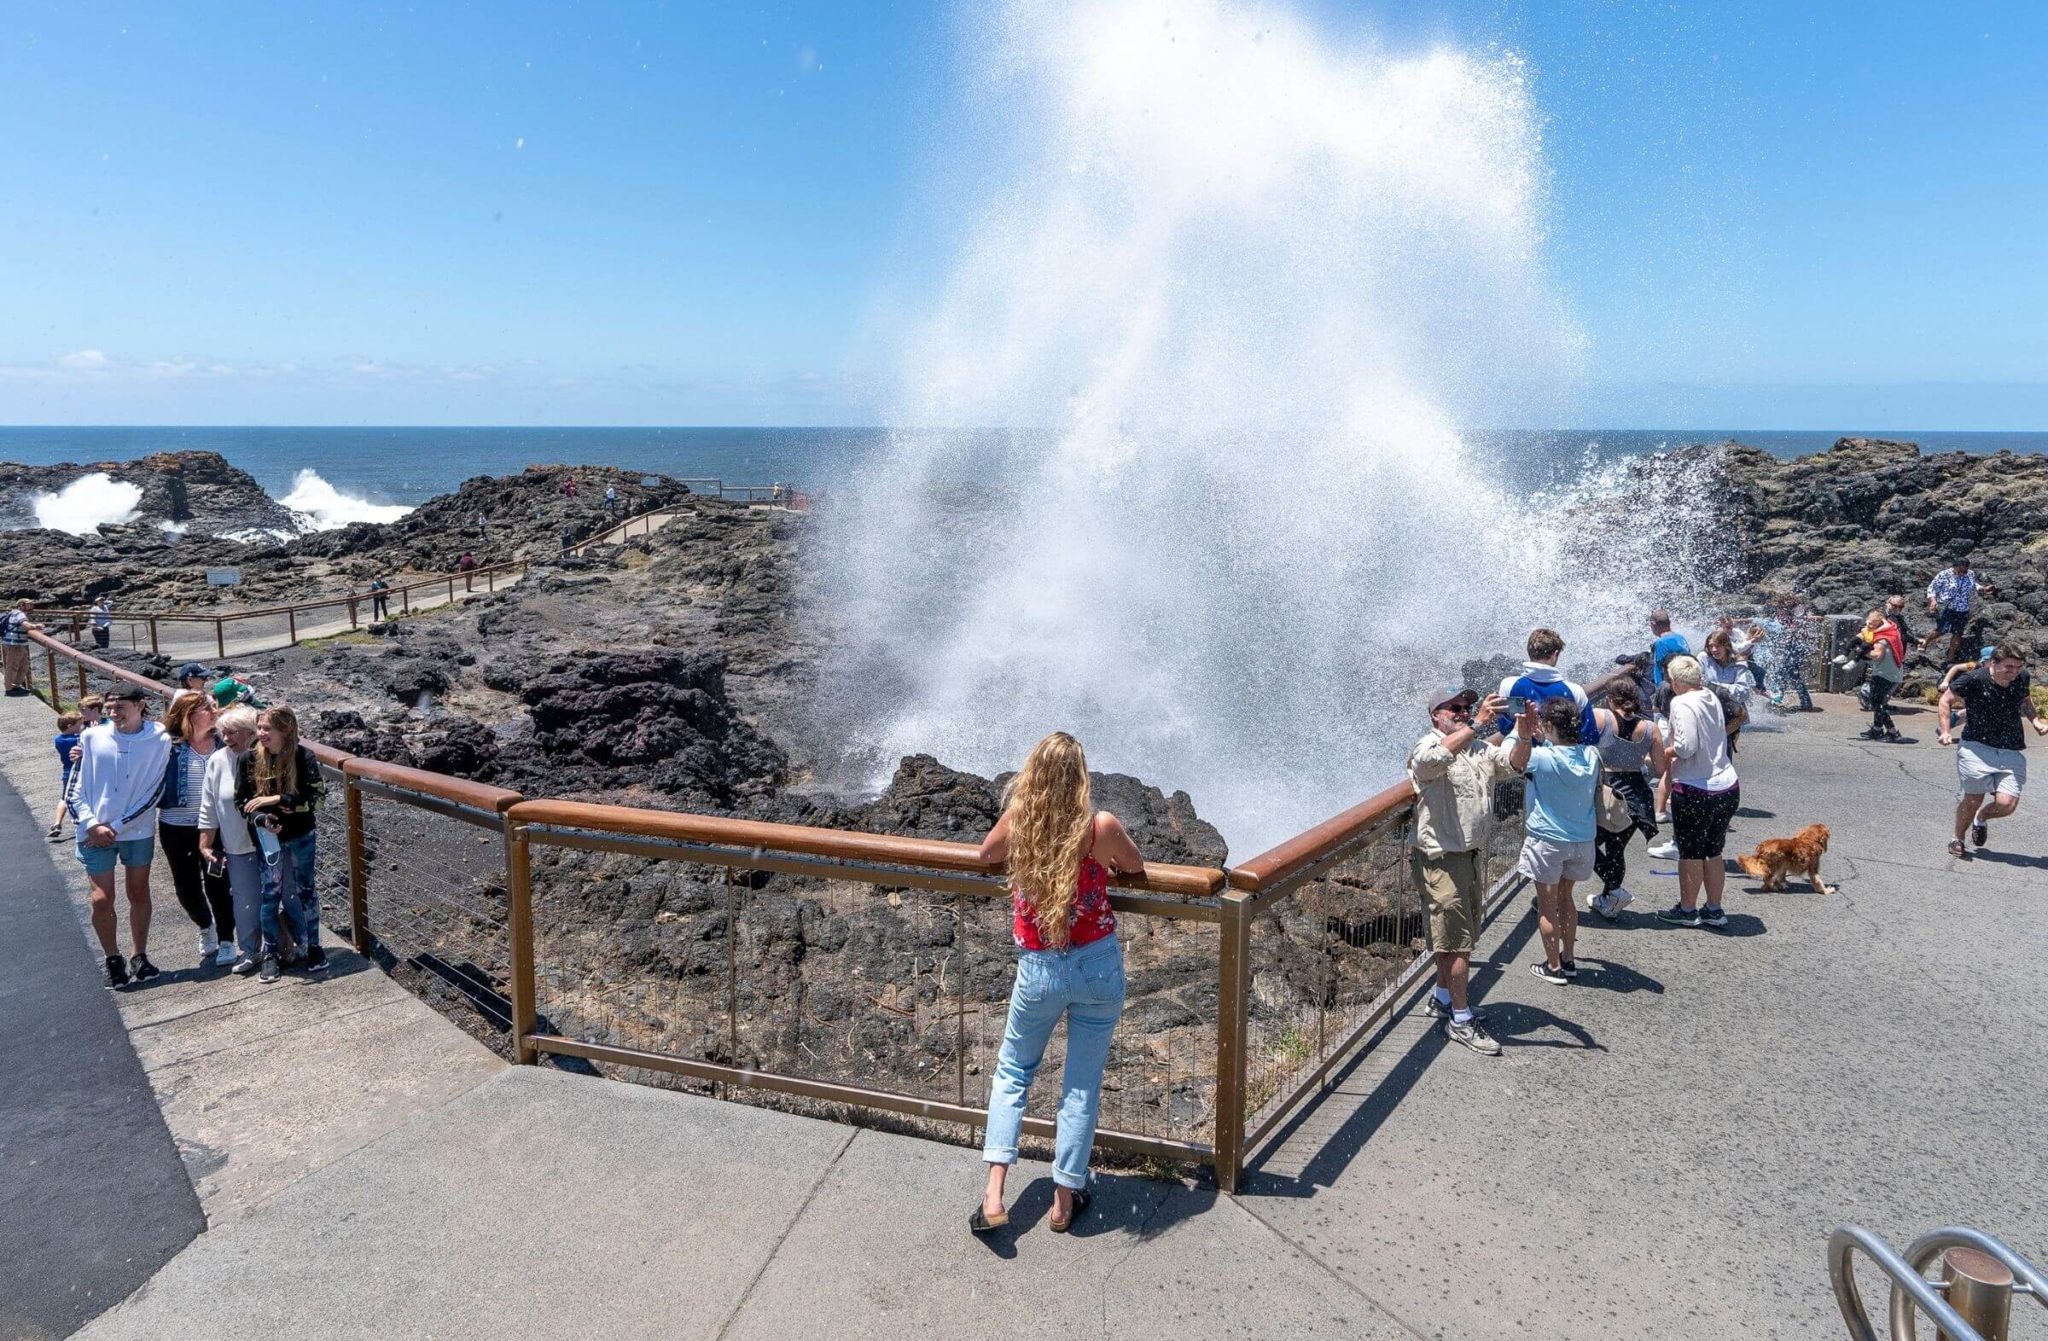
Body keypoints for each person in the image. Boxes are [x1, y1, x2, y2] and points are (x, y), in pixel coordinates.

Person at [970, 731, 1143, 1237]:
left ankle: (994, 1194)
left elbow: (986, 855)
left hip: (1040, 968)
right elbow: (1132, 864)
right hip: (1095, 967)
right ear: (1081, 778)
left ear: (1034, 776)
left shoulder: (1022, 823)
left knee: (1014, 1072)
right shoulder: (1099, 828)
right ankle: (1064, 1199)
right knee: (1081, 1085)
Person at [1407, 686, 1512, 1055]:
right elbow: (1428, 764)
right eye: (1455, 708)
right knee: (1459, 944)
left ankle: (1441, 997)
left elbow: (1514, 764)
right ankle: (1461, 1019)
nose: (1463, 711)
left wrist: (1527, 734)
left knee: (1454, 937)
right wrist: (1480, 723)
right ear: (1436, 715)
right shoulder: (1428, 745)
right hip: (1441, 858)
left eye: (1467, 707)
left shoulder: (1477, 749)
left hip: (1468, 855)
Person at [69, 685, 173, 987]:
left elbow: (155, 790)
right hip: (92, 829)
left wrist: (115, 827)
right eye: (109, 706)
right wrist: (91, 824)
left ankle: (139, 955)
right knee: (101, 899)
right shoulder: (91, 736)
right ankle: (112, 957)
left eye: (120, 706)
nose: (113, 712)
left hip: (135, 830)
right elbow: (75, 784)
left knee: (138, 893)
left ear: (140, 705)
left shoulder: (159, 738)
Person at [1510, 698, 1601, 984]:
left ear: (1547, 725)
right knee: (1566, 899)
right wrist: (1546, 740)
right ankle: (1569, 958)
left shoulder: (1540, 758)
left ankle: (1553, 967)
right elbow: (1565, 759)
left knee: (1547, 905)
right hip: (1582, 840)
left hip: (1548, 841)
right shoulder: (1592, 755)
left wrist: (1523, 733)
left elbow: (1514, 761)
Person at [236, 705, 328, 982]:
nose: (261, 733)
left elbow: (317, 800)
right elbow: (242, 803)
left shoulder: (303, 757)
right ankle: (271, 954)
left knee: (306, 890)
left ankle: (313, 946)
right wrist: (264, 819)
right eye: (259, 727)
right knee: (270, 893)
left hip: (301, 835)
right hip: (268, 837)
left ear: (285, 730)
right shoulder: (248, 759)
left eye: (267, 728)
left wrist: (275, 799)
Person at [1655, 656, 1739, 929]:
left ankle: (1688, 909)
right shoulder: (1710, 695)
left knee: (1690, 852)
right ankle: (1714, 909)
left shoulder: (1680, 702)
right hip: (1726, 783)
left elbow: (1686, 746)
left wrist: (1664, 753)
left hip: (1695, 786)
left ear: (1676, 681)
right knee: (1713, 850)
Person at [1938, 644, 2045, 857]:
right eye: (2009, 667)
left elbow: (2025, 700)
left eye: (2018, 667)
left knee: (2007, 804)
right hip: (1976, 747)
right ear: (1993, 664)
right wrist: (1945, 730)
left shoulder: (2022, 677)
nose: (2015, 672)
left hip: (2010, 748)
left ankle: (1981, 818)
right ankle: (1957, 838)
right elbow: (1945, 700)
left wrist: (2036, 721)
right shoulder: (1974, 680)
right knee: (1973, 798)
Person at [158, 691, 238, 967]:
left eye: (215, 706)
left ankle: (227, 939)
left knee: (219, 883)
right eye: (207, 708)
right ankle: (206, 925)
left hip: (216, 829)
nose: (215, 711)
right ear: (188, 714)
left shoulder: (225, 743)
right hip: (176, 827)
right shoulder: (167, 746)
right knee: (186, 888)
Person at [199, 704, 265, 974]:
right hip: (237, 844)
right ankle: (250, 951)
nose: (226, 739)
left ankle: (291, 946)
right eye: (223, 733)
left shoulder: (267, 756)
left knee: (285, 896)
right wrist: (205, 843)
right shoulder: (217, 760)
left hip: (273, 842)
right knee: (244, 902)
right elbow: (209, 806)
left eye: (232, 733)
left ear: (251, 732)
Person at [1590, 681, 1663, 920]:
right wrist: (1638, 758)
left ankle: (1614, 889)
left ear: (1610, 699)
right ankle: (1609, 898)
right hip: (1637, 795)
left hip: (1608, 791)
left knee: (1587, 844)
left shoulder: (1601, 717)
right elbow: (1660, 768)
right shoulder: (1651, 728)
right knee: (1616, 848)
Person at [1494, 628, 1598, 744]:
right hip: (1559, 761)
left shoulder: (1510, 685)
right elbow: (1590, 737)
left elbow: (1506, 727)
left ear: (1529, 651)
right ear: (1555, 654)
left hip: (1522, 759)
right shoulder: (1574, 691)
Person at [1850, 609, 1907, 742]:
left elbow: (1877, 655)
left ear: (1879, 621)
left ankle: (1893, 732)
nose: (1868, 625)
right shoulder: (1891, 629)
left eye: (1871, 622)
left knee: (1877, 703)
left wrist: (1860, 653)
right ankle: (1877, 729)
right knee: (1877, 701)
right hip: (1889, 672)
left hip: (1886, 674)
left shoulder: (1883, 637)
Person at [1926, 557, 1993, 669]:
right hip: (1947, 606)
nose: (1962, 573)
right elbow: (1932, 588)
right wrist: (1933, 600)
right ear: (1954, 567)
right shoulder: (1944, 574)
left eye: (1964, 571)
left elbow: (1973, 585)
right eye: (1960, 571)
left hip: (1963, 609)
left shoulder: (1970, 574)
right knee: (1941, 630)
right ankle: (1925, 642)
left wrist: (1983, 589)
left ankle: (1950, 657)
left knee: (1958, 633)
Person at [48, 709, 83, 840]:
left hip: (67, 771)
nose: (82, 727)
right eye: (80, 724)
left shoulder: (58, 739)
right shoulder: (78, 739)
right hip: (79, 770)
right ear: (70, 726)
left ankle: (57, 823)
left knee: (64, 798)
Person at [2, 598, 38, 695]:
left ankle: (16, 686)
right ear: (21, 605)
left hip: (14, 643)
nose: (31, 606)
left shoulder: (14, 612)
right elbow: (25, 625)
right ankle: (9, 689)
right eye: (29, 604)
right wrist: (35, 626)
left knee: (24, 665)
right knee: (13, 666)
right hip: (15, 644)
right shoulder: (20, 614)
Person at [1648, 610, 1691, 688]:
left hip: (1670, 687)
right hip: (1687, 682)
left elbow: (1660, 669)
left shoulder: (1660, 643)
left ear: (1653, 624)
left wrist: (1659, 690)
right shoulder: (1680, 638)